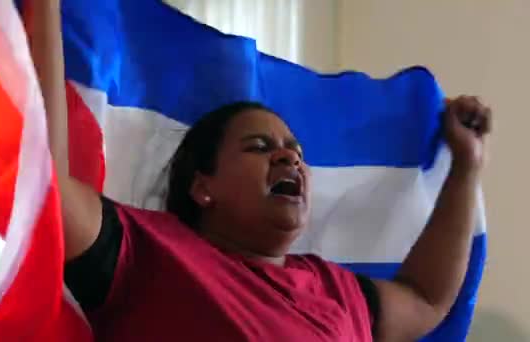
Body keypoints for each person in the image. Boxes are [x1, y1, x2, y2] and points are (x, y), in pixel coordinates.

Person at [26, 1, 492, 341]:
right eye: (259, 147)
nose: (289, 158)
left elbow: (426, 299)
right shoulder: (150, 254)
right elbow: (46, 189)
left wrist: (465, 166)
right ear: (202, 187)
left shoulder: (336, 290)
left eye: (295, 150)